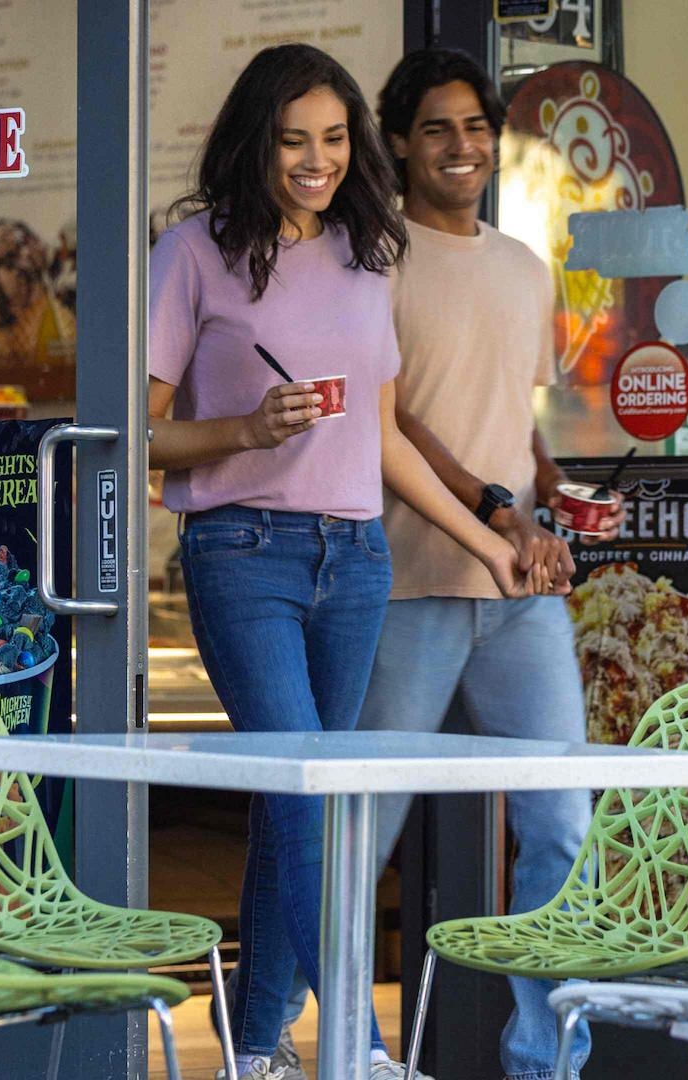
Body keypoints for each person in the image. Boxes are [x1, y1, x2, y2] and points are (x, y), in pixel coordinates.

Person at [148, 42, 529, 1080]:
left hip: (354, 562)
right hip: (242, 556)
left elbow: (385, 437)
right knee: (309, 791)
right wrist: (240, 429)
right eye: (292, 140)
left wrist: (489, 543)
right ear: (254, 141)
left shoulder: (369, 252)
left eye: (332, 139)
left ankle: (259, 1044)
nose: (316, 161)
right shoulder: (190, 254)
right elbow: (136, 439)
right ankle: (357, 1044)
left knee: (293, 801)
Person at [270, 47, 628, 1080]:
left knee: (562, 828)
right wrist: (498, 508)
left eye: (476, 126)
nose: (461, 146)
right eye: (437, 128)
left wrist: (557, 491)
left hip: (521, 599)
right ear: (398, 143)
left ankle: (544, 1059)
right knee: (358, 843)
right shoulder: (368, 263)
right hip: (407, 584)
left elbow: (516, 413)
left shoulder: (523, 267)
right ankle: (343, 1051)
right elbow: (397, 422)